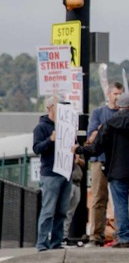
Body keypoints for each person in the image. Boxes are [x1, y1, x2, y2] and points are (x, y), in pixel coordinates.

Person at [78, 92, 129, 249]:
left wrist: (79, 149)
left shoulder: (110, 124)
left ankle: (124, 238)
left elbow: (96, 148)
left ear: (118, 106)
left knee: (120, 204)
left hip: (117, 171)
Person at [86, 82, 124, 246]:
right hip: (100, 159)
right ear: (109, 95)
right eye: (115, 94)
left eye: (120, 94)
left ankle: (121, 234)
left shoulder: (125, 113)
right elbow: (91, 136)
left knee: (120, 200)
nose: (117, 97)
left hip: (118, 161)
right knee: (98, 198)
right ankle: (95, 236)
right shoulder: (99, 112)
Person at [33, 97, 72, 252]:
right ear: (50, 108)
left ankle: (56, 241)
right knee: (48, 210)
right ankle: (42, 243)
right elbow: (37, 148)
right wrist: (51, 140)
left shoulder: (66, 126)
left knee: (61, 211)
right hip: (50, 173)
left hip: (65, 172)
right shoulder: (41, 128)